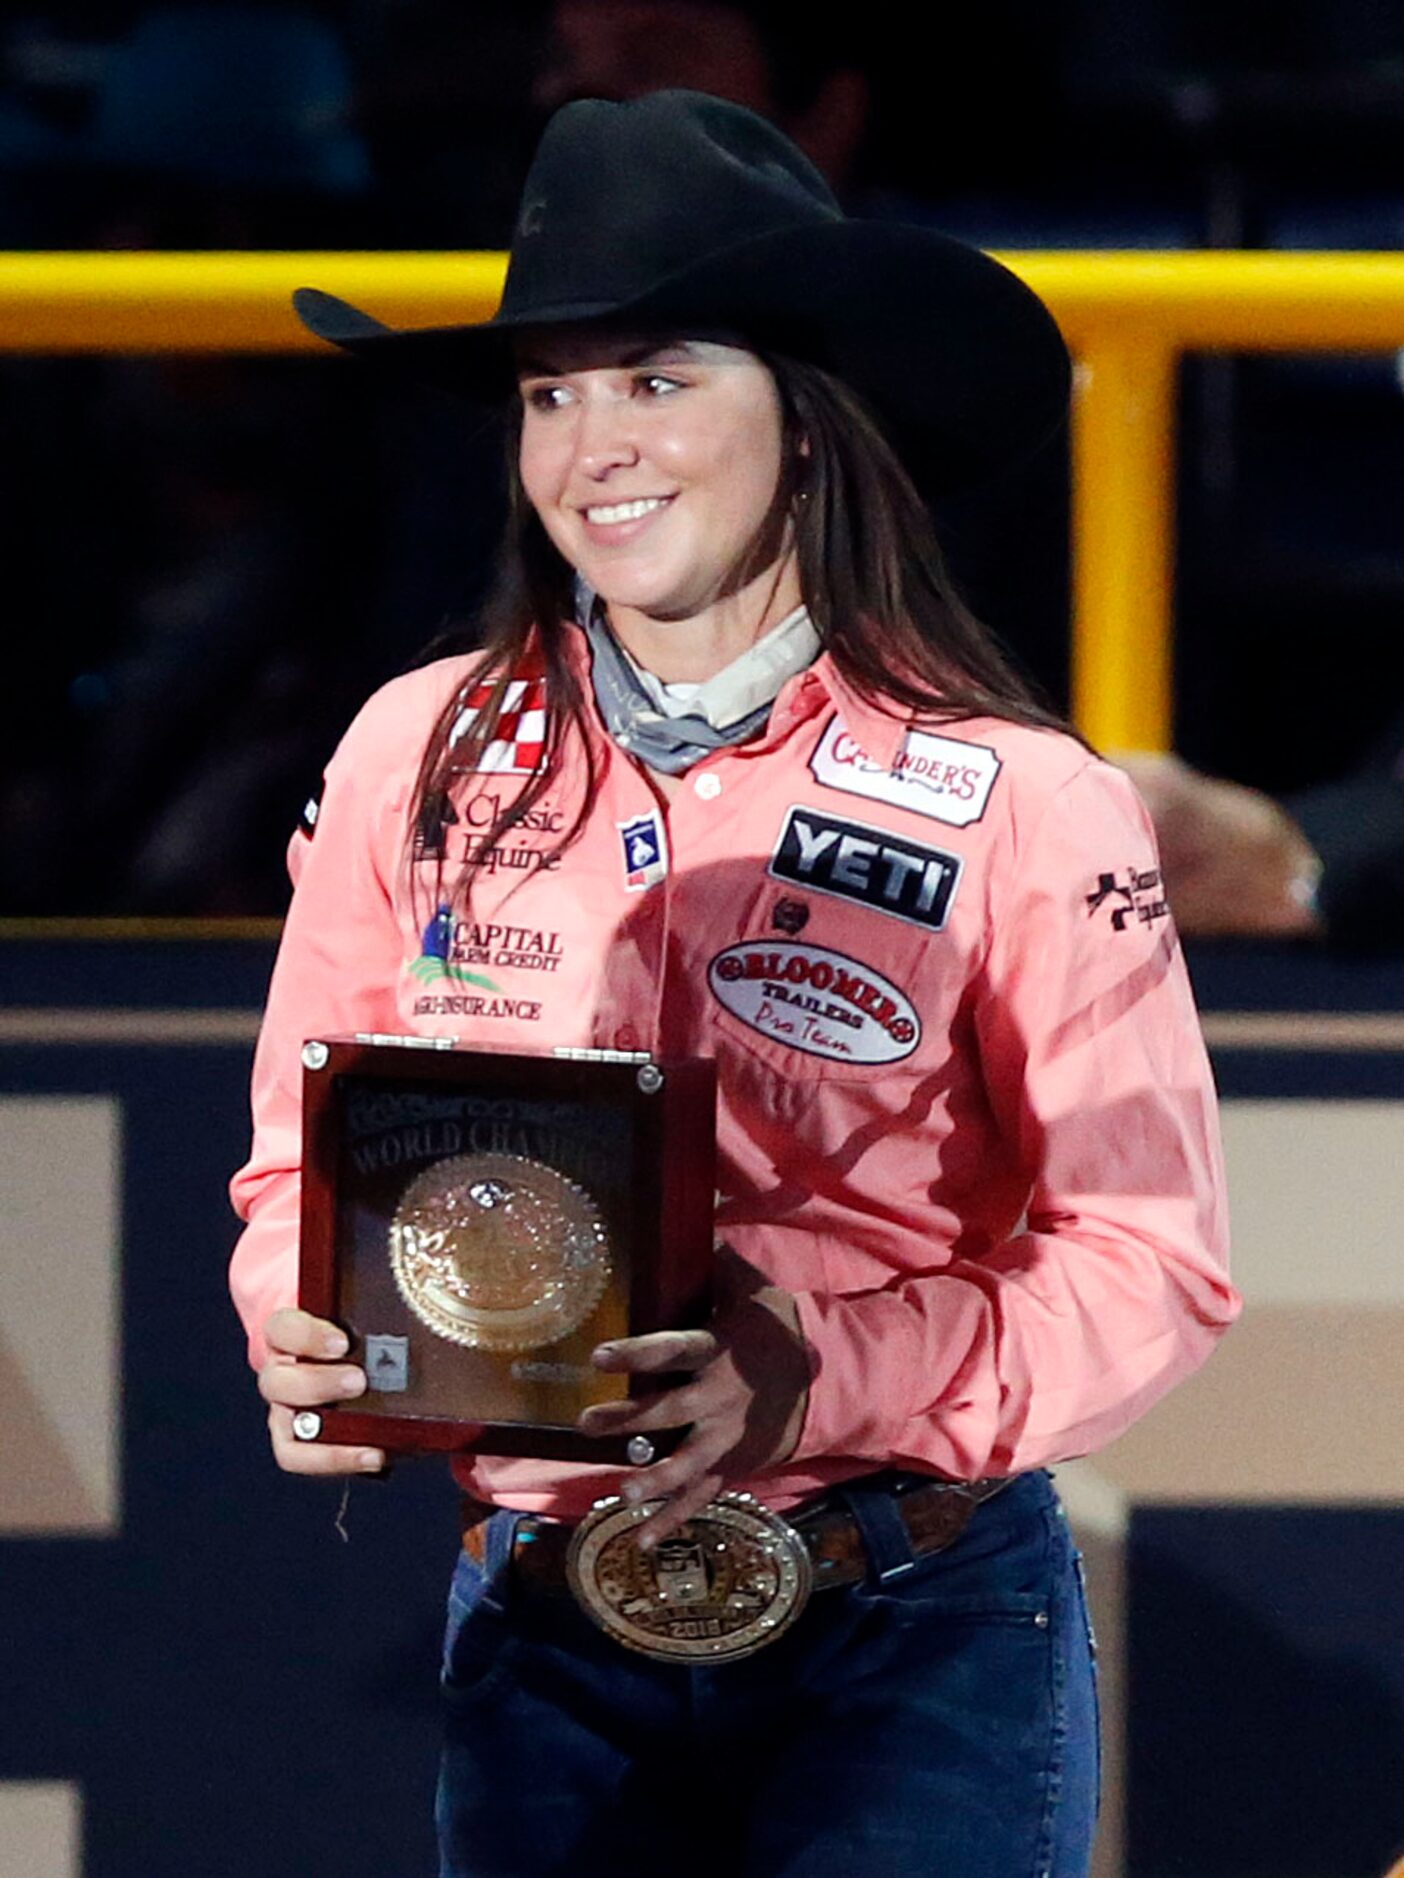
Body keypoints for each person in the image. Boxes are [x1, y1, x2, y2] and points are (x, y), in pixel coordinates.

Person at [230, 90, 1239, 1878]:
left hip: (905, 1627)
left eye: (656, 377)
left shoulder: (1019, 796)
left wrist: (811, 1373)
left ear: (810, 419)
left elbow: (1151, 1258)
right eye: (551, 393)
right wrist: (301, 1323)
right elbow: (302, 1163)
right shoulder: (415, 752)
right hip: (539, 1620)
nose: (592, 447)